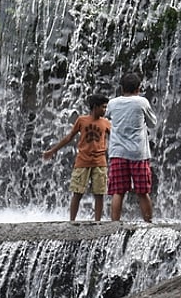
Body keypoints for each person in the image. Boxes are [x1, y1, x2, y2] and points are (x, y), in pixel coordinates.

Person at [43, 93, 112, 221]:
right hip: (82, 162)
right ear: (95, 107)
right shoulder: (81, 120)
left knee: (99, 194)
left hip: (100, 162)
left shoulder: (106, 123)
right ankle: (72, 221)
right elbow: (69, 137)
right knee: (77, 193)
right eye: (103, 107)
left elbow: (116, 138)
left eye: (105, 107)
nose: (105, 110)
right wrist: (53, 150)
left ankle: (98, 222)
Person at [106, 73, 158, 222]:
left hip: (117, 152)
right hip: (138, 153)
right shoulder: (142, 102)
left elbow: (107, 117)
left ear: (121, 88)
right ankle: (148, 224)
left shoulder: (112, 103)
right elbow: (153, 123)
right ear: (138, 88)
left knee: (118, 191)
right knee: (142, 191)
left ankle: (114, 225)